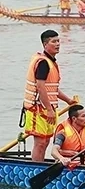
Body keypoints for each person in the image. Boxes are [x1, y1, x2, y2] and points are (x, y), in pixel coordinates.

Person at [23, 30, 76, 161]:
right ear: (45, 44)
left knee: (46, 141)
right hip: (38, 108)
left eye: (58, 41)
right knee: (40, 143)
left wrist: (68, 100)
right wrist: (50, 110)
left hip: (48, 108)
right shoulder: (43, 63)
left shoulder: (51, 62)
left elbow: (52, 88)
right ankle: (36, 169)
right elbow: (40, 88)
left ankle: (40, 165)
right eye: (54, 41)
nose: (57, 44)